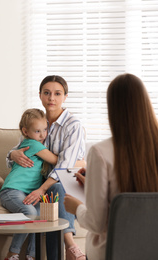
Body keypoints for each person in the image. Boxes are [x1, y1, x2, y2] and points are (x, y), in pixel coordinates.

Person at [64, 73, 158, 260]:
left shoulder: (101, 152)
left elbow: (96, 223)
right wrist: (92, 183)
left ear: (113, 109)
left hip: (111, 251)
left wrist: (77, 208)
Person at [7, 75, 86, 260]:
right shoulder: (35, 122)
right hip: (41, 180)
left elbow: (66, 166)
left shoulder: (73, 125)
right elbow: (21, 150)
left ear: (65, 96)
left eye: (57, 94)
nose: (52, 98)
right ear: (40, 95)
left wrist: (41, 188)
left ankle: (70, 245)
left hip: (68, 181)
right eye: (47, 93)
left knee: (57, 188)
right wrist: (12, 154)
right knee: (50, 193)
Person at [0, 108, 58, 260]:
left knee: (39, 215)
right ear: (25, 131)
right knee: (31, 213)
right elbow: (56, 160)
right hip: (11, 191)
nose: (43, 135)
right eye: (37, 131)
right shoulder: (33, 144)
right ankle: (12, 253)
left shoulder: (36, 142)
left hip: (27, 193)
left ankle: (30, 255)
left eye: (45, 129)